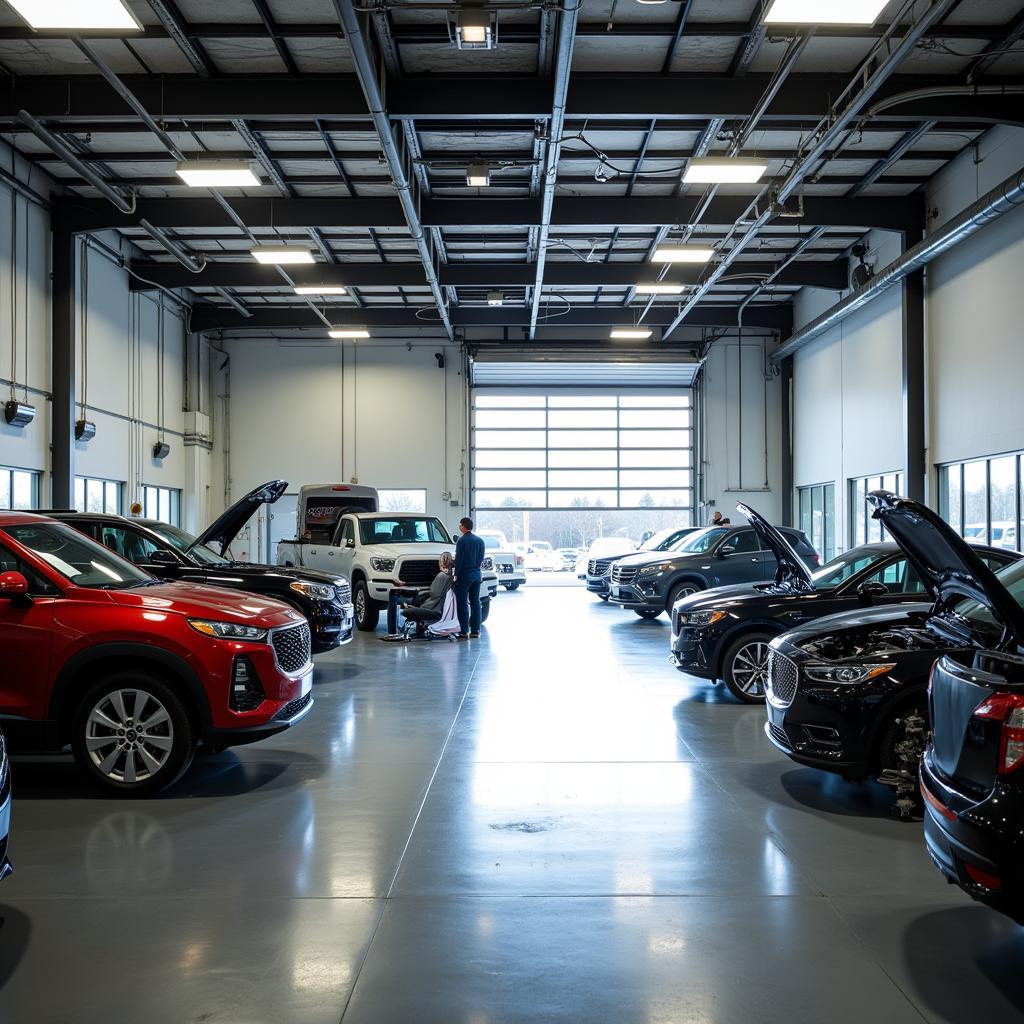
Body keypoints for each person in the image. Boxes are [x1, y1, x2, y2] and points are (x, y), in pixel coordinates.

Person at [383, 553, 454, 638]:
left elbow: (434, 593)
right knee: (403, 595)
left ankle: (392, 631)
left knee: (394, 594)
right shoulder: (450, 576)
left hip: (431, 607)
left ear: (441, 562)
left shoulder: (442, 576)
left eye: (440, 561)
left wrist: (417, 592)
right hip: (434, 606)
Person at [454, 516, 485, 639]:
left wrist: (456, 575)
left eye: (460, 525)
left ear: (463, 526)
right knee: (475, 602)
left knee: (462, 603)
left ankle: (464, 631)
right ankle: (475, 630)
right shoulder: (480, 541)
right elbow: (481, 559)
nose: (459, 527)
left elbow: (459, 561)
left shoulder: (461, 541)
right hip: (477, 575)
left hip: (465, 575)